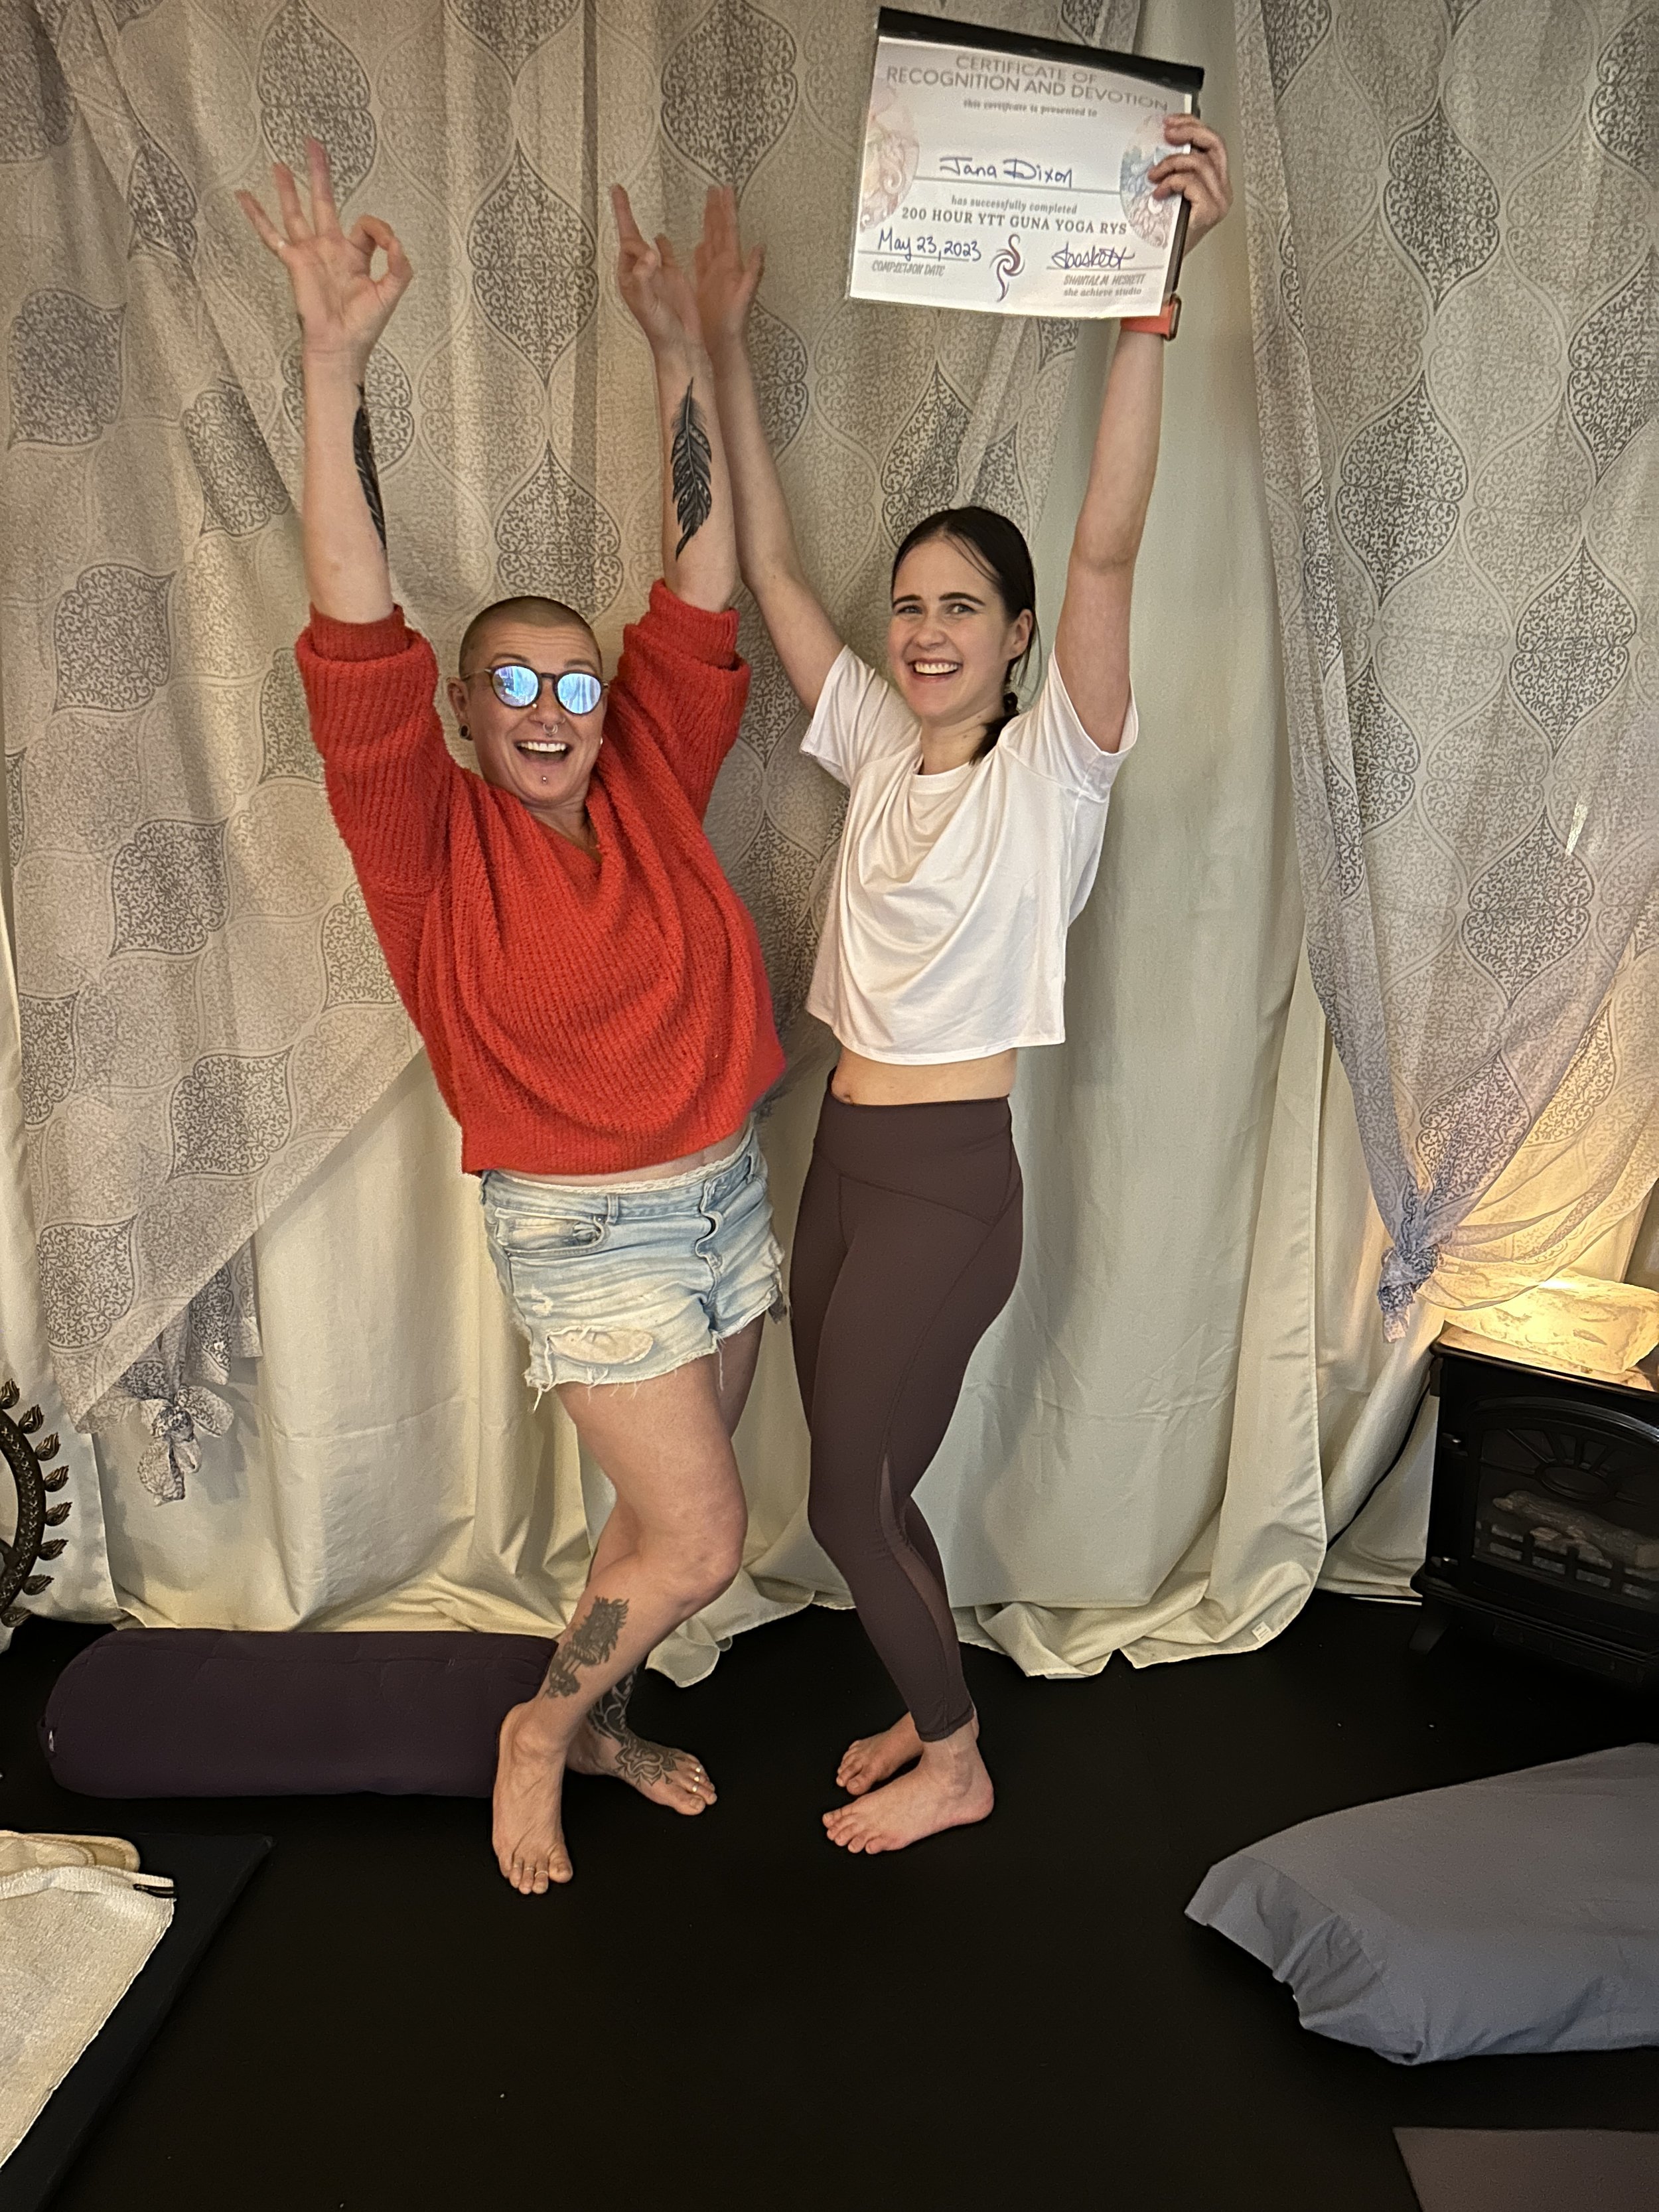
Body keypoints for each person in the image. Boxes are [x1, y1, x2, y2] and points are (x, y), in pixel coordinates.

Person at [238, 143, 786, 1893]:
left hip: (724, 1187)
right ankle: (539, 1733)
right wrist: (334, 365)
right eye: (513, 687)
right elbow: (350, 615)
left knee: (653, 1527)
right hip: (586, 1224)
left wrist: (678, 354)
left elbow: (700, 583)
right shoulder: (423, 837)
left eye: (572, 679)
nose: (552, 708)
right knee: (704, 1540)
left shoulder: (647, 777)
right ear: (465, 718)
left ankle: (599, 1714)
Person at [695, 119, 1232, 1853]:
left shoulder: (1050, 767)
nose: (923, 627)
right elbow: (775, 583)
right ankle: (932, 1718)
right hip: (843, 1156)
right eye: (910, 602)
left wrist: (1149, 301)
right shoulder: (880, 747)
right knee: (850, 1477)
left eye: (960, 606)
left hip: (945, 1183)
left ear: (1012, 638)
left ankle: (954, 1751)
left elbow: (1101, 549)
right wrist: (714, 354)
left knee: (848, 1493)